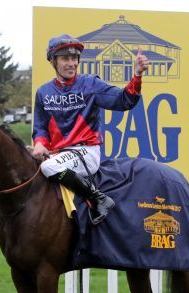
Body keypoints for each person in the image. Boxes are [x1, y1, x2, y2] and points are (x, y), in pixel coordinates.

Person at [32, 34, 149, 224]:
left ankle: (99, 198)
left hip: (87, 152)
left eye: (74, 58)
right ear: (53, 62)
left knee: (48, 167)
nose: (71, 63)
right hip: (58, 154)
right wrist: (39, 144)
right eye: (65, 59)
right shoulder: (43, 93)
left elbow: (123, 100)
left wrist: (137, 75)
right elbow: (40, 129)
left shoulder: (91, 84)